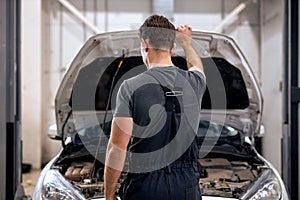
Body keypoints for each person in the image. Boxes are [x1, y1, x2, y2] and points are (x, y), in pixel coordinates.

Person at [104, 15, 206, 200]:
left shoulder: (131, 87)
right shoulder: (195, 83)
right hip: (186, 186)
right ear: (172, 48)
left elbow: (117, 148)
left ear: (144, 44)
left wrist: (109, 196)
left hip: (146, 186)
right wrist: (187, 43)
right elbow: (197, 67)